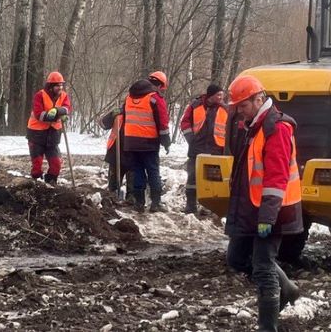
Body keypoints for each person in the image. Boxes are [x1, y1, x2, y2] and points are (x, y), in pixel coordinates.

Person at [224, 75, 301, 332]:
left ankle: (268, 327)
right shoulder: (253, 125)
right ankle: (288, 289)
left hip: (272, 211)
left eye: (242, 106)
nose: (239, 112)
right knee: (236, 258)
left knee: (263, 267)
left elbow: (276, 177)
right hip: (252, 208)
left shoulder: (276, 128)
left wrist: (267, 218)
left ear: (259, 99)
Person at [122, 70, 171, 213]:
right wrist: (166, 142)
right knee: (153, 171)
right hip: (148, 142)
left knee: (137, 171)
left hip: (130, 142)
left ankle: (139, 203)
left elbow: (126, 118)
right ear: (160, 85)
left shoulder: (129, 97)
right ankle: (156, 203)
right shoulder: (155, 98)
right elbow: (163, 123)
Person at [179, 83, 227, 214]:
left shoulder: (225, 109)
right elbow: (185, 122)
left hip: (215, 150)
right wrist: (191, 139)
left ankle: (209, 207)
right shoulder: (195, 105)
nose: (221, 97)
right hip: (197, 149)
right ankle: (190, 206)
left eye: (222, 94)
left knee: (213, 180)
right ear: (211, 95)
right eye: (219, 94)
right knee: (192, 178)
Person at [27, 71, 71, 185]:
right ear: (50, 86)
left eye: (61, 85)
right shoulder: (39, 95)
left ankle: (51, 183)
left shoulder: (64, 95)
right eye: (57, 85)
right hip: (36, 135)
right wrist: (51, 116)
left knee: (56, 164)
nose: (60, 88)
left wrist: (58, 111)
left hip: (53, 136)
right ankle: (36, 183)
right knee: (37, 165)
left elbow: (66, 108)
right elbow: (39, 114)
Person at [100, 105, 133, 202]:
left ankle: (131, 198)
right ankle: (112, 195)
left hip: (132, 151)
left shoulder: (139, 113)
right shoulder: (119, 113)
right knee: (113, 181)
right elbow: (103, 124)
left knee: (132, 178)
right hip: (116, 150)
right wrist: (112, 114)